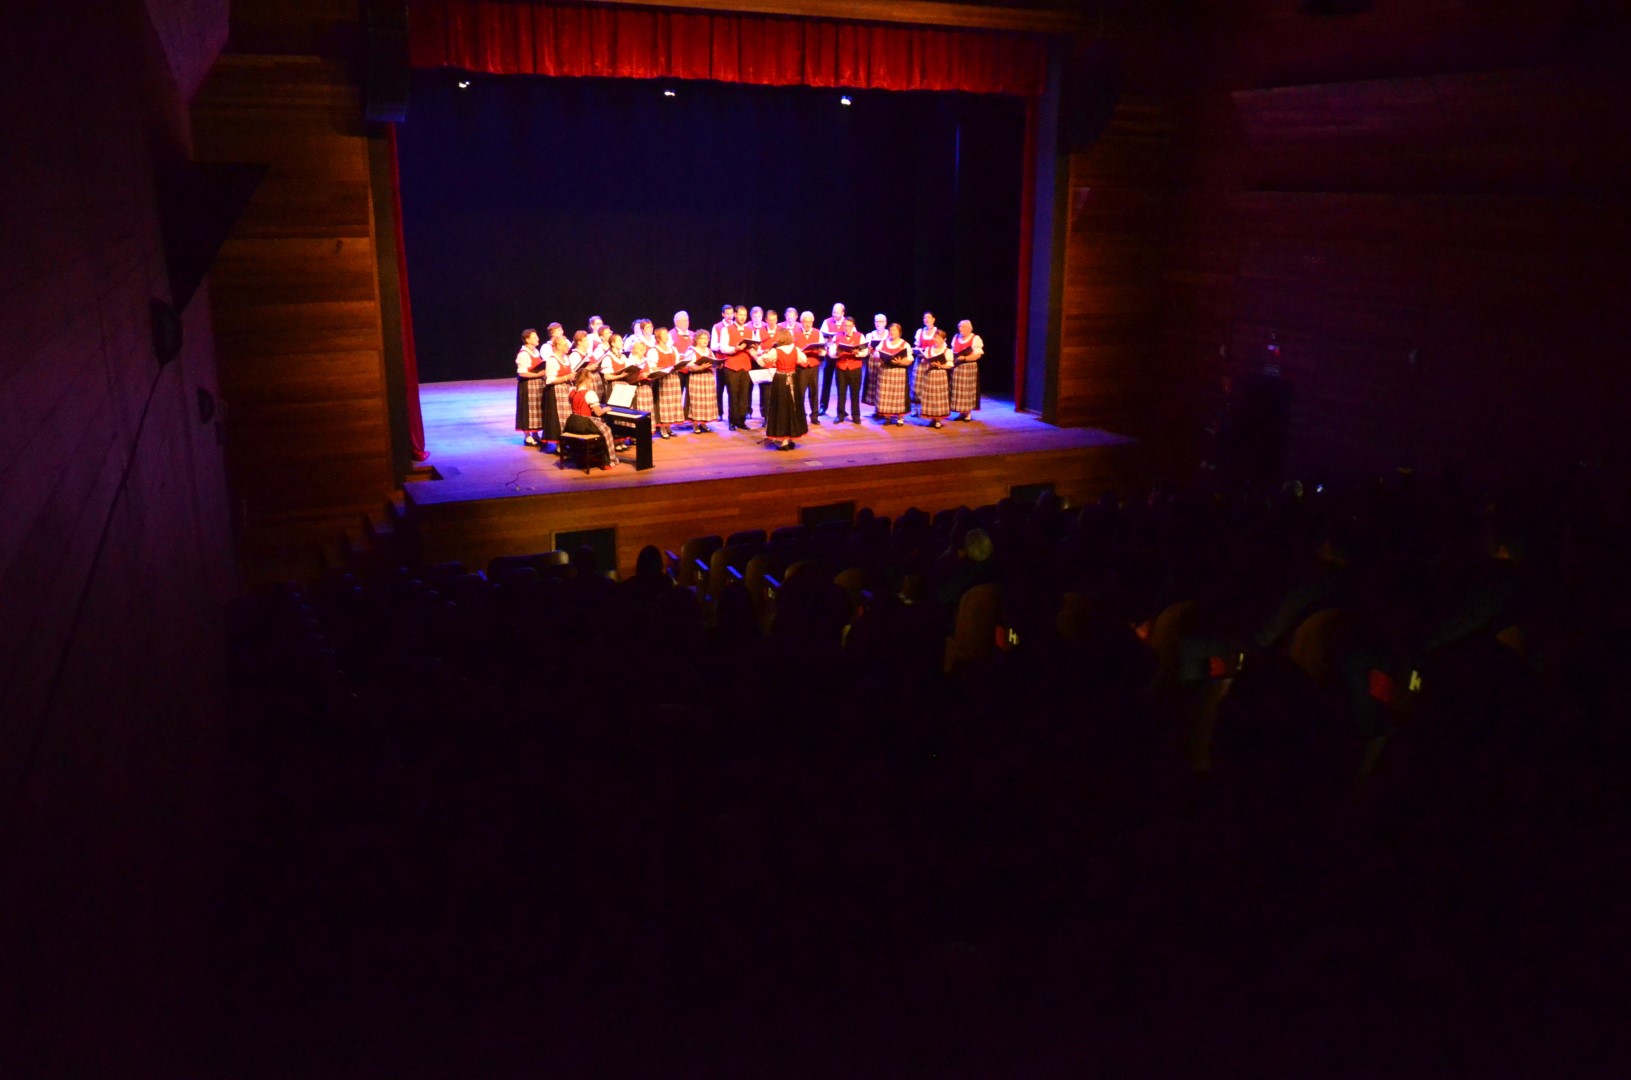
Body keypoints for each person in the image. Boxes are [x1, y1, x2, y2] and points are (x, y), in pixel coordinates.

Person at [758, 327, 806, 451]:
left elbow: (762, 362)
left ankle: (784, 441)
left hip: (780, 381)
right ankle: (791, 438)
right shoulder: (796, 350)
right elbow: (804, 360)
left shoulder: (776, 351)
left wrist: (762, 354)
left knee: (781, 409)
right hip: (793, 379)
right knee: (793, 408)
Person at [564, 365, 619, 468]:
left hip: (572, 421)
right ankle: (610, 460)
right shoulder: (589, 393)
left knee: (600, 424)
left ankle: (593, 455)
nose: (591, 382)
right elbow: (598, 413)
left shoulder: (571, 391)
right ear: (586, 380)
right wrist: (605, 409)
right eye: (590, 380)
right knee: (607, 430)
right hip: (584, 423)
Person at [716, 304, 756, 431]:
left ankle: (741, 420)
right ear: (735, 315)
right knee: (733, 394)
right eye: (740, 315)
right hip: (732, 366)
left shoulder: (750, 330)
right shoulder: (726, 329)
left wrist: (757, 350)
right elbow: (723, 347)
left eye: (745, 315)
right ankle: (732, 421)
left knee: (744, 395)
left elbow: (754, 348)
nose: (743, 317)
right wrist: (735, 349)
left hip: (745, 366)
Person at [648, 327, 685, 438]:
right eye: (664, 334)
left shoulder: (673, 349)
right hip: (662, 380)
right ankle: (663, 428)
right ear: (658, 337)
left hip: (673, 379)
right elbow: (652, 367)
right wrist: (665, 368)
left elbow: (677, 362)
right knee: (664, 404)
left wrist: (680, 365)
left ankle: (669, 427)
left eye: (667, 334)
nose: (666, 335)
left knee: (672, 403)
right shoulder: (654, 350)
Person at [873, 322, 913, 425]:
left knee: (898, 395)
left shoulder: (904, 344)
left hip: (898, 372)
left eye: (894, 330)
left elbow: (910, 359)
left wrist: (901, 362)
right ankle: (887, 416)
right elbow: (877, 353)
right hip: (885, 372)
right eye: (890, 330)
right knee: (886, 394)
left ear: (899, 332)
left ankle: (900, 417)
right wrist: (879, 356)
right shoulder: (884, 342)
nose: (892, 332)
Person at [541, 334, 575, 451]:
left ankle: (566, 441)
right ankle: (559, 443)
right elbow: (550, 380)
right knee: (558, 418)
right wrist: (567, 377)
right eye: (565, 344)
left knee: (567, 417)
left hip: (566, 391)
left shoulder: (566, 358)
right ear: (558, 346)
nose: (567, 346)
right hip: (556, 392)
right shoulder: (552, 360)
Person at [682, 331, 721, 433]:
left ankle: (703, 423)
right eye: (702, 338)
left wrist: (718, 364)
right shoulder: (691, 351)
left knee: (706, 401)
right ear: (697, 340)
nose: (705, 341)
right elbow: (688, 366)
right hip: (697, 378)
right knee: (697, 401)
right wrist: (700, 367)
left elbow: (713, 362)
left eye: (706, 338)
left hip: (708, 378)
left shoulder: (709, 351)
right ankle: (695, 424)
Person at [514, 328, 547, 446]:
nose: (537, 339)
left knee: (537, 409)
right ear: (527, 340)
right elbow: (522, 373)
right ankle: (527, 436)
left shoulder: (536, 351)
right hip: (528, 385)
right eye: (534, 337)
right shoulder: (523, 354)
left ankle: (535, 434)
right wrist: (538, 374)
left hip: (537, 384)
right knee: (528, 410)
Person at [831, 316, 867, 424]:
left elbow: (865, 352)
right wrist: (836, 353)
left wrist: (858, 353)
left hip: (855, 368)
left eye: (849, 326)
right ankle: (840, 415)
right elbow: (831, 352)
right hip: (841, 368)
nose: (847, 328)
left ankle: (856, 416)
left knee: (855, 393)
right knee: (841, 393)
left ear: (853, 326)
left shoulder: (860, 336)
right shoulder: (837, 336)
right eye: (845, 325)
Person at [916, 327, 952, 428]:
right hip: (930, 375)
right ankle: (932, 418)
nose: (936, 340)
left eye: (939, 338)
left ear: (944, 340)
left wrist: (940, 365)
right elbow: (924, 362)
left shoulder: (947, 351)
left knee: (939, 397)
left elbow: (950, 364)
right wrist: (925, 360)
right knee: (930, 397)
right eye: (935, 337)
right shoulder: (929, 349)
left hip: (940, 375)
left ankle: (938, 420)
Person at [949, 319, 984, 422]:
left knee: (967, 390)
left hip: (968, 367)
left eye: (963, 327)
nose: (961, 329)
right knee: (958, 390)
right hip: (957, 366)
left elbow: (978, 354)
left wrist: (965, 358)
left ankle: (968, 413)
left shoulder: (975, 338)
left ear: (969, 328)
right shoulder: (956, 337)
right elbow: (952, 350)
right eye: (960, 327)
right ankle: (961, 412)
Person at [793, 310, 823, 423]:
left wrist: (821, 350)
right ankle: (800, 415)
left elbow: (823, 352)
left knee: (814, 391)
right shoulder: (795, 332)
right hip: (801, 367)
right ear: (801, 322)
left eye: (810, 322)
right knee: (800, 392)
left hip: (814, 365)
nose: (807, 324)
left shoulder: (817, 333)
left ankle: (814, 416)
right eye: (805, 322)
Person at [819, 301, 846, 416]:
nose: (834, 314)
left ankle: (841, 409)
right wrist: (827, 339)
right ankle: (823, 407)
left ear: (843, 313)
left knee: (842, 383)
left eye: (837, 312)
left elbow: (852, 337)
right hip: (830, 356)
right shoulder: (827, 321)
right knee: (827, 382)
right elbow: (821, 337)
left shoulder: (848, 323)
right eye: (833, 312)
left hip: (841, 357)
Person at [863, 312, 888, 412]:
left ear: (885, 323)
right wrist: (868, 349)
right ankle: (876, 409)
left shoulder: (888, 334)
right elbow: (866, 350)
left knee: (883, 384)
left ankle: (884, 409)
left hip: (884, 361)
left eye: (880, 322)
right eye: (876, 321)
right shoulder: (870, 335)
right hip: (873, 361)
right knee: (873, 384)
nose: (878, 324)